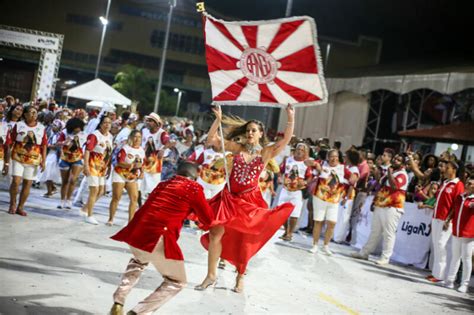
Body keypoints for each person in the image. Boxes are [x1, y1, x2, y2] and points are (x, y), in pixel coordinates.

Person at [195, 105, 295, 293]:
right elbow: (212, 139)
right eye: (248, 130)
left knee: (244, 240)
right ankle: (211, 276)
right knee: (215, 233)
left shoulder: (265, 152)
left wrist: (290, 118)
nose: (249, 133)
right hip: (229, 196)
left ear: (260, 133)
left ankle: (240, 276)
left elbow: (286, 140)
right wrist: (218, 119)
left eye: (253, 130)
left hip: (250, 199)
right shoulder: (237, 147)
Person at [109, 161, 214, 315]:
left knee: (139, 262)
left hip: (137, 231)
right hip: (158, 236)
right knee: (176, 282)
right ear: (195, 176)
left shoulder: (164, 184)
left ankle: (118, 301)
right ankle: (138, 312)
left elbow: (171, 206)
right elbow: (208, 219)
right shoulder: (194, 188)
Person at [351, 153, 409, 265]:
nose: (395, 160)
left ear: (403, 164)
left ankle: (385, 257)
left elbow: (394, 186)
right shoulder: (390, 172)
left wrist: (389, 173)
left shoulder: (402, 174)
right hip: (381, 204)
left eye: (399, 160)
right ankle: (364, 253)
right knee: (375, 231)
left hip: (393, 207)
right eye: (395, 158)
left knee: (389, 233)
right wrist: (374, 201)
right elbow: (380, 186)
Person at [308, 149, 357, 255]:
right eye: (331, 156)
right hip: (319, 198)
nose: (334, 158)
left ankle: (325, 246)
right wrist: (315, 165)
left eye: (336, 156)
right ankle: (315, 245)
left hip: (334, 200)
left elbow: (353, 179)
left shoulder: (343, 168)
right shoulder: (322, 164)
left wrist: (354, 178)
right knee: (318, 221)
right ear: (327, 157)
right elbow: (308, 163)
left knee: (332, 223)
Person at [425, 159, 464, 283]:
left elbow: (456, 205)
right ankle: (436, 273)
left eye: (447, 168)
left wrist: (448, 219)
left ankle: (441, 275)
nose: (444, 170)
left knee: (441, 245)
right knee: (436, 245)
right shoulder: (445, 182)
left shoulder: (458, 184)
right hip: (437, 217)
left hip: (446, 220)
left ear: (454, 170)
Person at [4, 105, 47, 216]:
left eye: (35, 112)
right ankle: (12, 204)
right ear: (25, 115)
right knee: (16, 182)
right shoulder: (19, 125)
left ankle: (20, 207)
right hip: (18, 158)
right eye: (31, 112)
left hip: (33, 160)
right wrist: (7, 161)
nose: (34, 114)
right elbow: (10, 143)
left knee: (28, 183)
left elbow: (44, 145)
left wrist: (43, 160)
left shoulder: (41, 128)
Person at [80, 115, 113, 224]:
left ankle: (85, 208)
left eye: (109, 122)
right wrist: (85, 166)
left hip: (103, 167)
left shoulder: (110, 136)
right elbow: (87, 151)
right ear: (101, 123)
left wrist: (108, 167)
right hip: (92, 165)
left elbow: (109, 153)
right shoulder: (94, 135)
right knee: (94, 190)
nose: (107, 124)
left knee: (101, 191)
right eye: (105, 122)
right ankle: (89, 215)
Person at [108, 130, 145, 225]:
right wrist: (131, 165)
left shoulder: (141, 150)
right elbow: (120, 162)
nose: (137, 139)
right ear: (131, 138)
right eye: (135, 137)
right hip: (120, 174)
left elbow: (142, 163)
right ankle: (111, 219)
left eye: (139, 137)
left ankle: (130, 222)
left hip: (132, 176)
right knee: (116, 197)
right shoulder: (125, 148)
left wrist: (142, 172)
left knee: (134, 198)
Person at [444, 174, 474, 293]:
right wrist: (447, 220)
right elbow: (454, 210)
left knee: (466, 259)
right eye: (468, 183)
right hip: (456, 231)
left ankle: (464, 284)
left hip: (469, 234)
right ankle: (450, 281)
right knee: (455, 257)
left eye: (472, 184)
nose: (469, 185)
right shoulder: (460, 197)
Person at [278, 143, 313, 241]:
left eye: (302, 150)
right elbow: (281, 171)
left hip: (297, 192)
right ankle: (286, 231)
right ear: (295, 149)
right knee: (281, 212)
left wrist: (305, 182)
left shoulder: (306, 163)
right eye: (298, 149)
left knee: (294, 214)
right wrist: (280, 178)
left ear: (305, 152)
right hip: (285, 190)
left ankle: (289, 234)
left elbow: (310, 177)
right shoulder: (288, 159)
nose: (299, 151)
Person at [57, 118, 87, 209]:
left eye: (79, 127)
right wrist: (63, 142)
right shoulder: (64, 132)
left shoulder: (83, 134)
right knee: (65, 181)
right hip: (65, 158)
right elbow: (57, 143)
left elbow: (87, 146)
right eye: (76, 127)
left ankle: (69, 200)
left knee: (73, 180)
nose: (78, 129)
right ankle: (62, 200)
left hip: (77, 158)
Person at [141, 113, 170, 196]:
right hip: (143, 163)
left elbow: (168, 142)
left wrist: (163, 149)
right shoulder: (144, 131)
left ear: (156, 123)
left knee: (152, 191)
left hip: (155, 166)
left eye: (150, 121)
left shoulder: (162, 133)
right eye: (147, 120)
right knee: (140, 189)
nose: (148, 122)